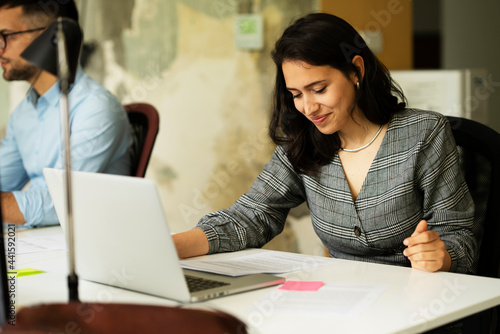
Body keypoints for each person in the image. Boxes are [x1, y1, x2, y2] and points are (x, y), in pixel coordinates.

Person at [173, 13, 476, 275]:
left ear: (356, 70)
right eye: (296, 94)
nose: (308, 107)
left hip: (420, 308)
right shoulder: (303, 142)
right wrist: (169, 247)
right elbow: (252, 216)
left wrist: (442, 255)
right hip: (338, 306)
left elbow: (460, 238)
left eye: (318, 89)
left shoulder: (423, 134)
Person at [0, 0, 132, 228]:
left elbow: (59, 200)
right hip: (41, 243)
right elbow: (4, 180)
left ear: (51, 37)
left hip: (91, 249)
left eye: (6, 36)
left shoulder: (96, 108)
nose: (0, 48)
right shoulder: (23, 113)